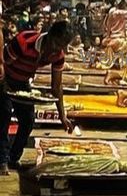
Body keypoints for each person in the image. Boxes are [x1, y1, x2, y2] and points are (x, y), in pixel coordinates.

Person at [0, 18, 74, 172]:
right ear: (50, 35)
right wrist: (5, 87)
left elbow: (56, 86)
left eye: (62, 46)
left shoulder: (58, 55)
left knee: (28, 119)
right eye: (56, 43)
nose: (57, 49)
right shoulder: (23, 41)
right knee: (4, 114)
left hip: (23, 83)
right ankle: (2, 160)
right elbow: (2, 63)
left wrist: (62, 115)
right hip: (4, 78)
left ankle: (13, 158)